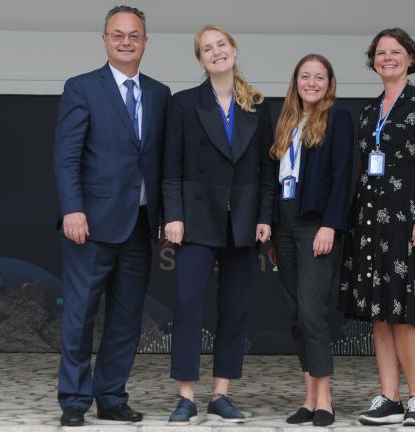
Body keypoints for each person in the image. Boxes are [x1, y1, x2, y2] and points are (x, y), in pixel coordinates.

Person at [53, 5, 170, 427]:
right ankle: (74, 400)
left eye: (133, 35)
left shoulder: (159, 94)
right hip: (90, 224)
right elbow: (66, 158)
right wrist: (73, 209)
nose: (126, 41)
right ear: (104, 40)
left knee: (126, 318)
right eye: (117, 34)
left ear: (145, 41)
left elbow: (160, 163)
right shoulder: (82, 88)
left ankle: (111, 396)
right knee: (80, 315)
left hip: (140, 225)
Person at [162, 24, 275, 424]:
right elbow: (171, 167)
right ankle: (187, 395)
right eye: (206, 49)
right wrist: (172, 215)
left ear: (234, 49)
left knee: (235, 308)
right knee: (189, 303)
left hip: (243, 221)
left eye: (221, 45)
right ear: (200, 60)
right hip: (195, 219)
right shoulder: (183, 104)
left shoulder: (258, 106)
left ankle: (221, 393)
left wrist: (264, 216)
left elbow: (267, 170)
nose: (215, 53)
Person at [338, 28, 415, 427]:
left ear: (410, 58)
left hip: (409, 214)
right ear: (373, 60)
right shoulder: (368, 112)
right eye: (380, 52)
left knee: (406, 311)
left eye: (395, 52)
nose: (387, 58)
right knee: (379, 312)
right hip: (370, 215)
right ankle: (389, 397)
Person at [266, 54, 354, 427]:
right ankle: (308, 398)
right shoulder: (285, 121)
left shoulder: (338, 118)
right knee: (295, 315)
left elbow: (344, 175)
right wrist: (269, 227)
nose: (312, 83)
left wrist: (330, 226)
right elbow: (274, 179)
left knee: (312, 312)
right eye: (306, 76)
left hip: (315, 225)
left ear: (329, 82)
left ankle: (325, 400)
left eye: (320, 77)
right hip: (283, 226)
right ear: (296, 81)